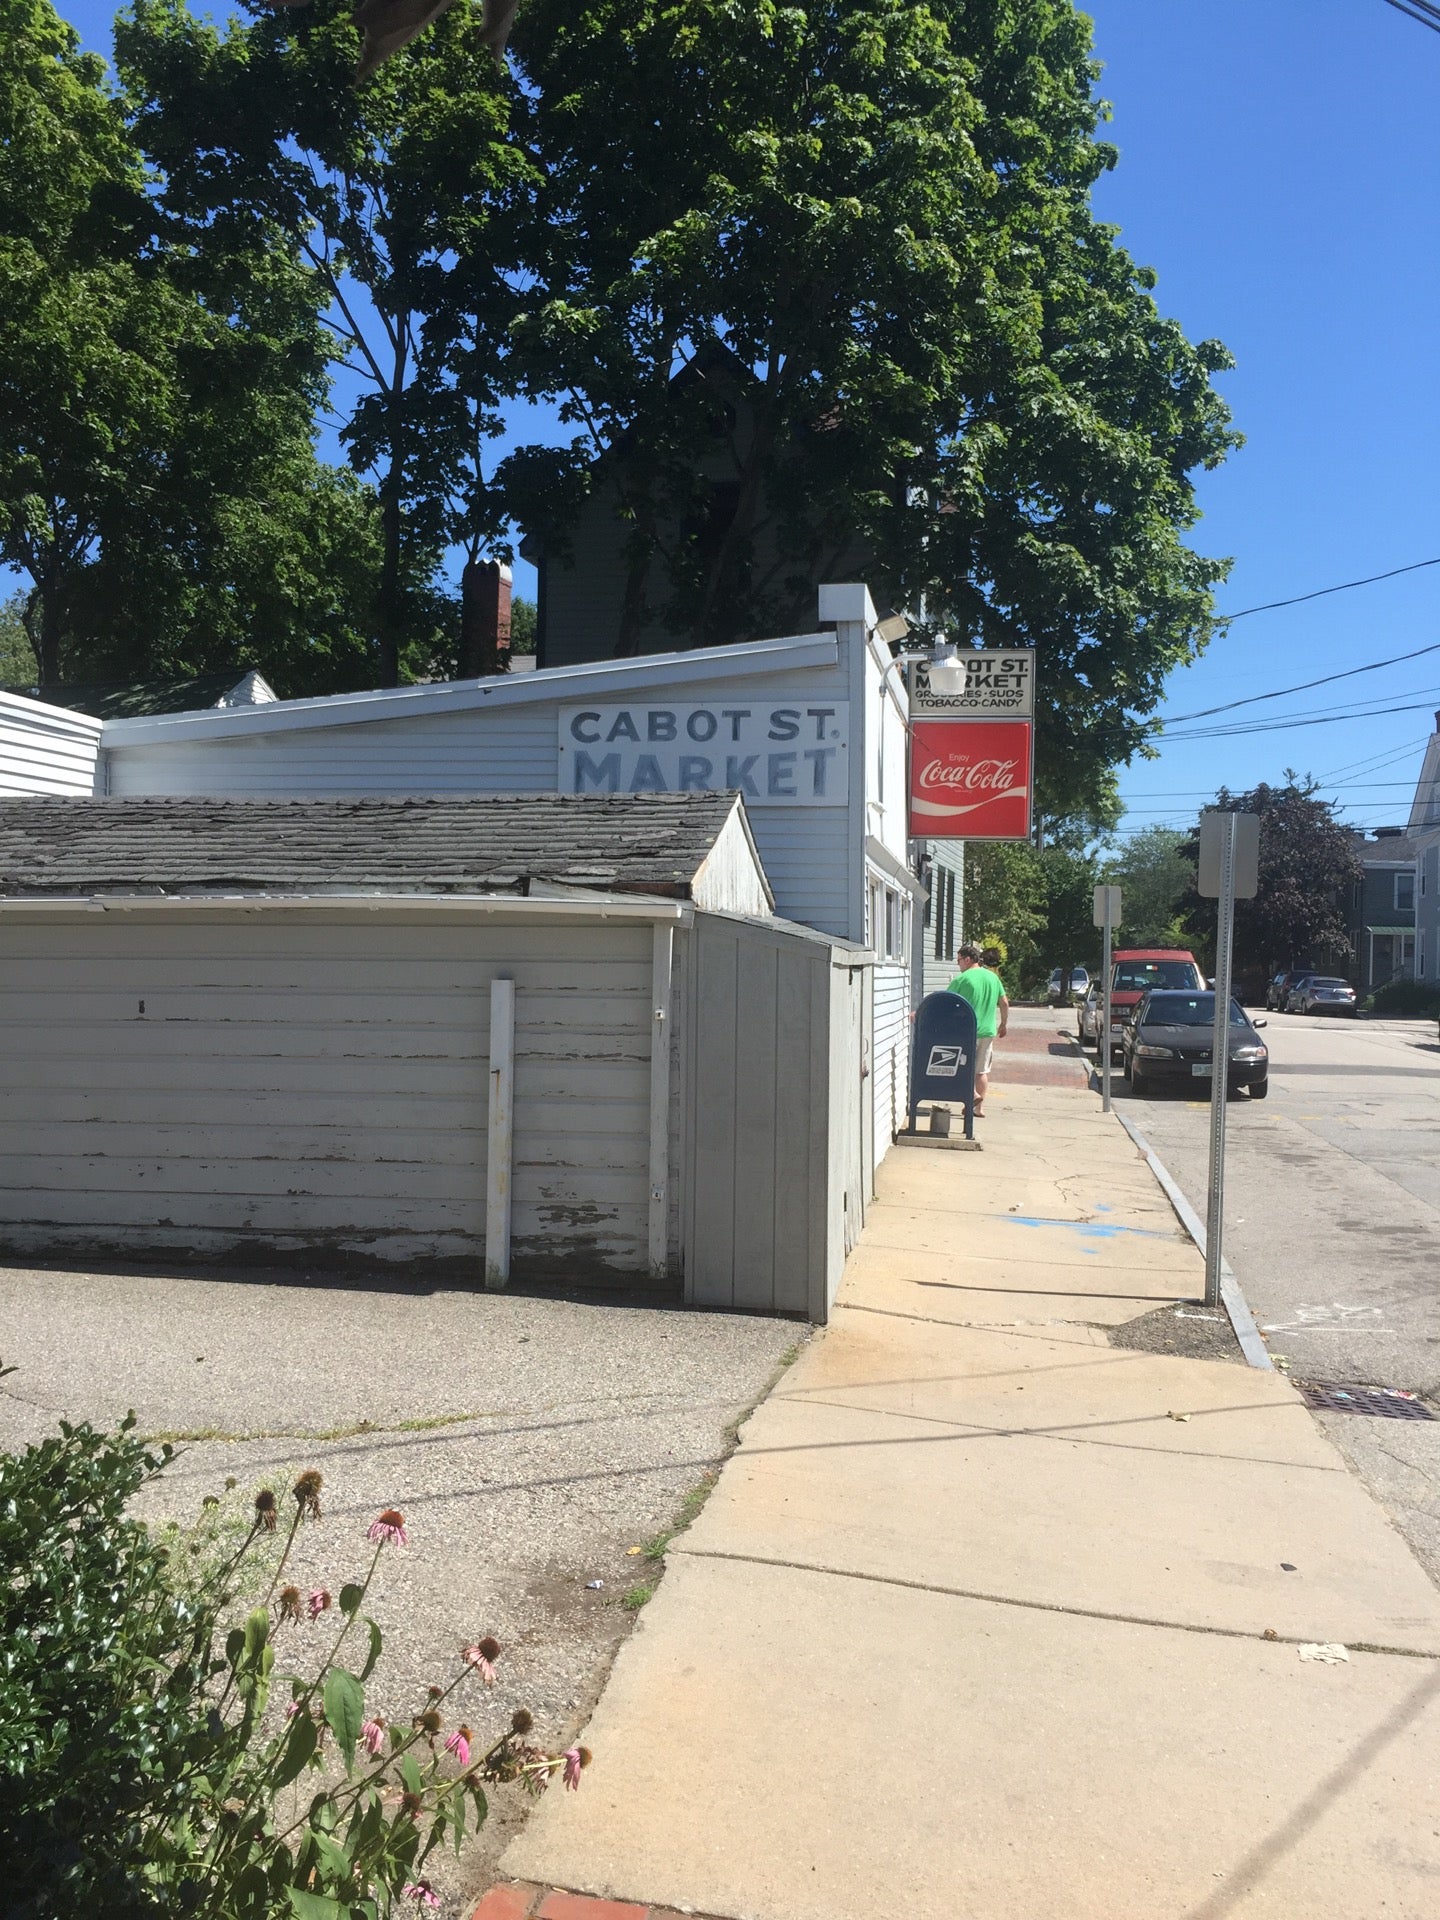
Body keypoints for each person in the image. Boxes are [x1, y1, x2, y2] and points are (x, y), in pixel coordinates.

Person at [947, 942, 1009, 1118]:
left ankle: (973, 1096)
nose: (958, 965)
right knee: (981, 1071)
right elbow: (1004, 1002)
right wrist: (1003, 1024)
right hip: (988, 1031)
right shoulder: (993, 978)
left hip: (966, 1031)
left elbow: (946, 1002)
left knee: (961, 1068)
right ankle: (978, 1108)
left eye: (959, 960)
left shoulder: (962, 979)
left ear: (967, 959)